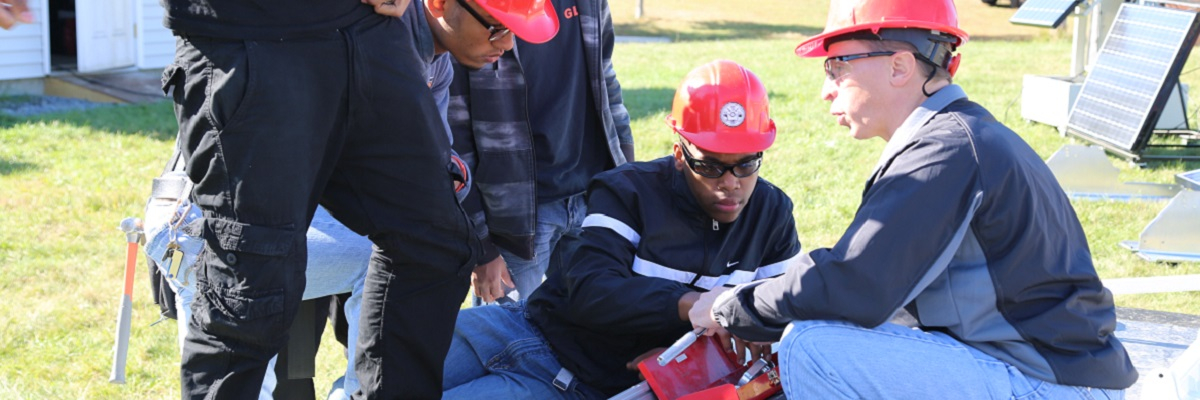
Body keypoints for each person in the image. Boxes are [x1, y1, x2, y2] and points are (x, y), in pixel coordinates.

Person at [689, 1, 1138, 399]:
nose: (827, 88)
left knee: (812, 346)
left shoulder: (945, 151)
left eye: (837, 66)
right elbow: (875, 293)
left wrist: (731, 308)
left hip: (1047, 386)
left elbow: (853, 283)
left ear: (900, 67)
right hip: (1047, 375)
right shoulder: (960, 137)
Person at [157, 0, 557, 397]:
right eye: (497, 30)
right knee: (253, 287)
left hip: (365, 29)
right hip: (254, 34)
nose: (506, 44)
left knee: (438, 246)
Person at [442, 60, 803, 398]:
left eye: (746, 164)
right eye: (709, 166)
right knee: (394, 365)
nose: (729, 183)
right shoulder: (629, 190)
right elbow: (591, 288)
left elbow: (783, 332)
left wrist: (691, 356)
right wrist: (694, 305)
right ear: (679, 154)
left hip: (569, 384)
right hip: (519, 326)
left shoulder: (772, 214)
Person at [449, 0, 634, 305]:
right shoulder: (478, 8)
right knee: (508, 342)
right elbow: (455, 140)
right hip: (512, 219)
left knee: (596, 332)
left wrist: (626, 172)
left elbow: (605, 78)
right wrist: (481, 245)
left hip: (593, 195)